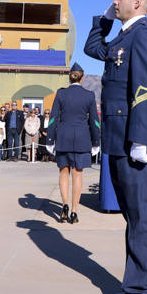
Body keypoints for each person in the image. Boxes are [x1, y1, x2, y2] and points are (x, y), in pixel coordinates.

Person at [84, 0, 147, 294]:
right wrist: (103, 19)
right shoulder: (122, 36)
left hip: (133, 141)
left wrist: (141, 139)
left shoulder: (145, 36)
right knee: (133, 218)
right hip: (118, 140)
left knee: (142, 218)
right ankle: (136, 286)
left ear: (137, 2)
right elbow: (92, 49)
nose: (115, 1)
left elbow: (146, 90)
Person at [47, 62, 100, 223]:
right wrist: (96, 141)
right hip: (82, 139)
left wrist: (50, 138)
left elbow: (53, 118)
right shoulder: (89, 95)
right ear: (82, 78)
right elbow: (95, 121)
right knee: (78, 174)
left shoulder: (61, 94)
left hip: (64, 137)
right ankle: (75, 211)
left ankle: (64, 205)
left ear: (70, 78)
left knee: (64, 172)